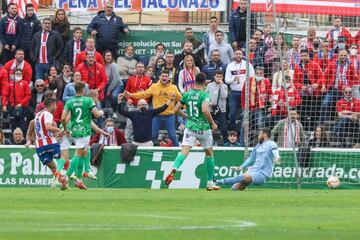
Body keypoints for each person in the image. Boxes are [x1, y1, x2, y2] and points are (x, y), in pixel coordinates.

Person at [165, 73, 220, 191]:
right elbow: (205, 110)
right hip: (203, 128)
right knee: (209, 154)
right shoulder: (204, 95)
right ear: (205, 82)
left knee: (183, 152)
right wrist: (212, 123)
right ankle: (210, 183)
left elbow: (175, 109)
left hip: (190, 127)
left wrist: (187, 117)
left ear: (194, 81)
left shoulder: (187, 94)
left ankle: (174, 168)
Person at [61, 81, 105, 188]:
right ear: (83, 89)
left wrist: (65, 129)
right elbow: (96, 114)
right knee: (78, 155)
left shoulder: (70, 102)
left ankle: (79, 180)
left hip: (74, 130)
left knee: (85, 152)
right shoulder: (88, 100)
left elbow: (63, 118)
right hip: (84, 131)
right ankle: (65, 177)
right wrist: (101, 112)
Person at [125, 70, 182, 146]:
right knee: (152, 135)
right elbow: (144, 94)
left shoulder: (173, 87)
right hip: (157, 115)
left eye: (166, 76)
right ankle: (149, 151)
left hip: (169, 116)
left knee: (172, 136)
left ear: (169, 78)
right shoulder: (154, 86)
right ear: (159, 77)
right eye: (163, 76)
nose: (164, 78)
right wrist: (131, 95)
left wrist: (187, 108)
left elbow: (181, 100)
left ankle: (178, 151)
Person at [215, 128, 280, 190]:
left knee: (245, 177)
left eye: (260, 134)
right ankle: (244, 184)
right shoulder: (259, 145)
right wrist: (240, 167)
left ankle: (217, 181)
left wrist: (277, 157)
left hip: (263, 174)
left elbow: (275, 151)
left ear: (264, 135)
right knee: (234, 188)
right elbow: (252, 158)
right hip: (253, 171)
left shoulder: (271, 143)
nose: (258, 136)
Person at [34, 98, 68, 190]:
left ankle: (63, 182)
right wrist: (63, 130)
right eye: (55, 105)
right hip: (49, 143)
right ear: (52, 105)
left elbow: (43, 130)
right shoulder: (48, 114)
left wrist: (58, 133)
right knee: (64, 158)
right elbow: (48, 127)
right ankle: (74, 177)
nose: (56, 107)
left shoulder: (38, 114)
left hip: (39, 146)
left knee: (53, 167)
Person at [320, 49, 358, 123]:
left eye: (344, 55)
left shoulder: (351, 66)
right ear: (338, 56)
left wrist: (349, 86)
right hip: (333, 90)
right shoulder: (332, 64)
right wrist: (323, 85)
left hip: (345, 92)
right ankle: (322, 124)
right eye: (341, 55)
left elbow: (355, 79)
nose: (343, 57)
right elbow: (324, 75)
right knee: (325, 103)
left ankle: (340, 123)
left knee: (344, 108)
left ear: (347, 56)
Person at [293, 49, 325, 128]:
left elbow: (322, 77)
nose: (303, 57)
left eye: (305, 56)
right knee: (302, 112)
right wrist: (301, 86)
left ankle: (313, 129)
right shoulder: (297, 66)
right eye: (302, 56)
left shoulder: (314, 64)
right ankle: (303, 128)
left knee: (313, 113)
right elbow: (295, 81)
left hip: (314, 94)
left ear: (308, 56)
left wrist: (317, 84)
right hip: (302, 94)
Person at [225, 49, 255, 132]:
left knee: (245, 113)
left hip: (245, 92)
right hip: (234, 92)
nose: (238, 55)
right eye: (236, 54)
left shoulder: (247, 64)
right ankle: (232, 130)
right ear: (234, 55)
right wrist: (233, 79)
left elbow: (252, 77)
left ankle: (244, 130)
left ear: (242, 55)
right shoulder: (230, 66)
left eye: (240, 54)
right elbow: (226, 80)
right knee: (232, 112)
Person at [241, 66, 272, 130]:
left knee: (260, 124)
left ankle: (261, 139)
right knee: (244, 124)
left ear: (263, 74)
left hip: (260, 107)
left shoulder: (266, 81)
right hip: (248, 107)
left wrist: (271, 104)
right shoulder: (248, 81)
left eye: (261, 73)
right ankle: (242, 140)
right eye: (257, 73)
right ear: (254, 73)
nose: (259, 75)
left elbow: (270, 93)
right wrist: (244, 106)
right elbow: (243, 94)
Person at [3, 68, 31, 133]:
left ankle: (23, 140)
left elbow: (28, 95)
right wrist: (4, 105)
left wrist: (21, 103)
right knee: (13, 124)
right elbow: (5, 96)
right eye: (17, 74)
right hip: (12, 107)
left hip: (23, 108)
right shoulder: (10, 84)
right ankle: (13, 140)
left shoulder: (25, 83)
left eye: (20, 74)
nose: (18, 75)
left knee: (23, 125)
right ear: (14, 75)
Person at [206, 70, 228, 141]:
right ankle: (206, 140)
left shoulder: (224, 86)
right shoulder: (209, 85)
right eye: (217, 76)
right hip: (211, 109)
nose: (218, 78)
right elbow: (205, 97)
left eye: (220, 77)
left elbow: (224, 96)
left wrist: (221, 86)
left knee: (223, 128)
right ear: (214, 77)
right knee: (207, 126)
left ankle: (225, 141)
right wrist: (209, 103)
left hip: (221, 110)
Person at [19, 3, 41, 70]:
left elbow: (38, 36)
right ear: (26, 11)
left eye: (31, 10)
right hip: (23, 49)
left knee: (32, 66)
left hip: (32, 49)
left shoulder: (37, 22)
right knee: (23, 66)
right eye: (28, 10)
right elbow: (20, 34)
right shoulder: (22, 21)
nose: (30, 12)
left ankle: (33, 80)